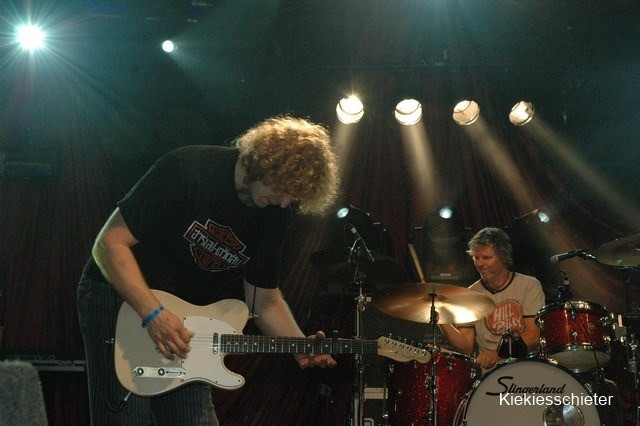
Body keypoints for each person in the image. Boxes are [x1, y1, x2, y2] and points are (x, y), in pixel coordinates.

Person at [77, 115, 340, 425]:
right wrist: (153, 313)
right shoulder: (188, 168)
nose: (284, 203)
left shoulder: (274, 214)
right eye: (283, 189)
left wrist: (299, 346)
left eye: (292, 197)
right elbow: (109, 244)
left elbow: (264, 300)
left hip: (184, 320)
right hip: (120, 297)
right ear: (265, 163)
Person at [440, 227, 545, 371]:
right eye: (476, 258)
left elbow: (534, 335)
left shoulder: (529, 285)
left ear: (503, 257)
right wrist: (442, 320)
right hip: (490, 375)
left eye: (486, 258)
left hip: (525, 367)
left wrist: (498, 354)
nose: (479, 263)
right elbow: (466, 347)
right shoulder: (470, 294)